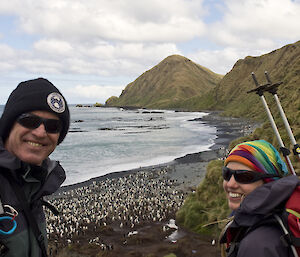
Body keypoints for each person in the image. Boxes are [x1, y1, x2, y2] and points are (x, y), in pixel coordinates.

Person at [0, 78, 70, 257]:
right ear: (8, 125)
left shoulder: (33, 184)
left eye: (52, 126)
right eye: (29, 121)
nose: (40, 132)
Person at [219, 140, 299, 257]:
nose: (230, 184)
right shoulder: (280, 216)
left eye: (244, 176)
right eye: (227, 174)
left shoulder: (257, 245)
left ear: (268, 182)